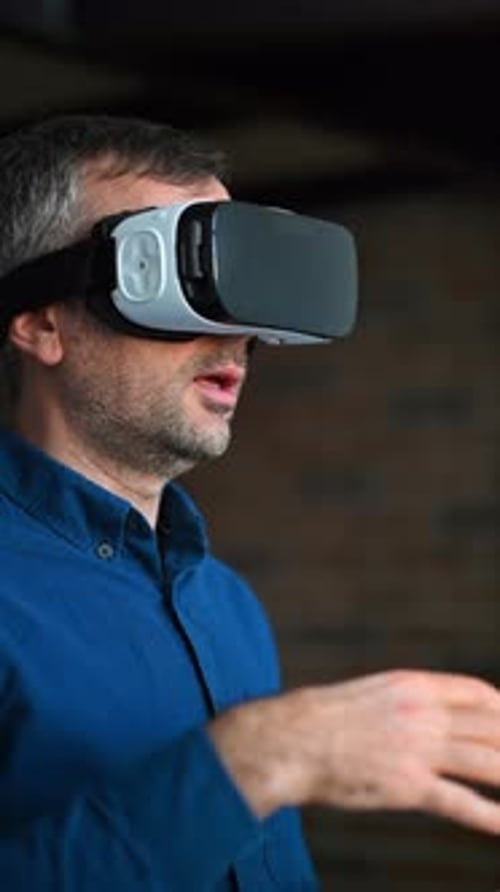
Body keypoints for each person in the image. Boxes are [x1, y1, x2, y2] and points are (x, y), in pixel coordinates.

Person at [0, 114, 498, 892]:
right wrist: (257, 758)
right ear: (40, 321)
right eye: (179, 280)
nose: (234, 335)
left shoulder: (224, 603)